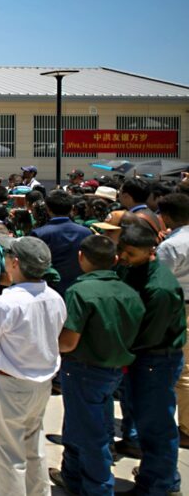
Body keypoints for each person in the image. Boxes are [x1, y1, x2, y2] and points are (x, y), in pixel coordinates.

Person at [48, 235, 144, 495]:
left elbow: (68, 341)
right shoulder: (129, 291)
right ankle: (71, 475)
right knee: (81, 426)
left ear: (81, 257)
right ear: (115, 260)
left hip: (83, 369)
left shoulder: (81, 291)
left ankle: (98, 488)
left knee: (91, 436)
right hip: (114, 371)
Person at [0, 235, 66, 496]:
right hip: (40, 384)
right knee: (32, 447)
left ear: (14, 263)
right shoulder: (55, 298)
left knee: (5, 456)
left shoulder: (5, 303)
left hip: (8, 385)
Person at [115, 224, 185, 495]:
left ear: (151, 252)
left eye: (131, 254)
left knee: (157, 425)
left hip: (156, 358)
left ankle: (158, 485)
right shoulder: (131, 268)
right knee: (145, 420)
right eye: (122, 251)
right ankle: (160, 475)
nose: (124, 257)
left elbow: (150, 335)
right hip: (142, 358)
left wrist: (118, 352)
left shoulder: (161, 289)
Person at [154, 193, 189, 442]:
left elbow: (159, 283)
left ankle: (186, 428)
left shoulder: (171, 246)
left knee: (183, 372)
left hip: (180, 308)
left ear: (165, 216)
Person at [29, 190, 92, 296]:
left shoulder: (39, 234)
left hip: (49, 291)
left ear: (48, 209)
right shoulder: (86, 232)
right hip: (81, 289)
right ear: (72, 208)